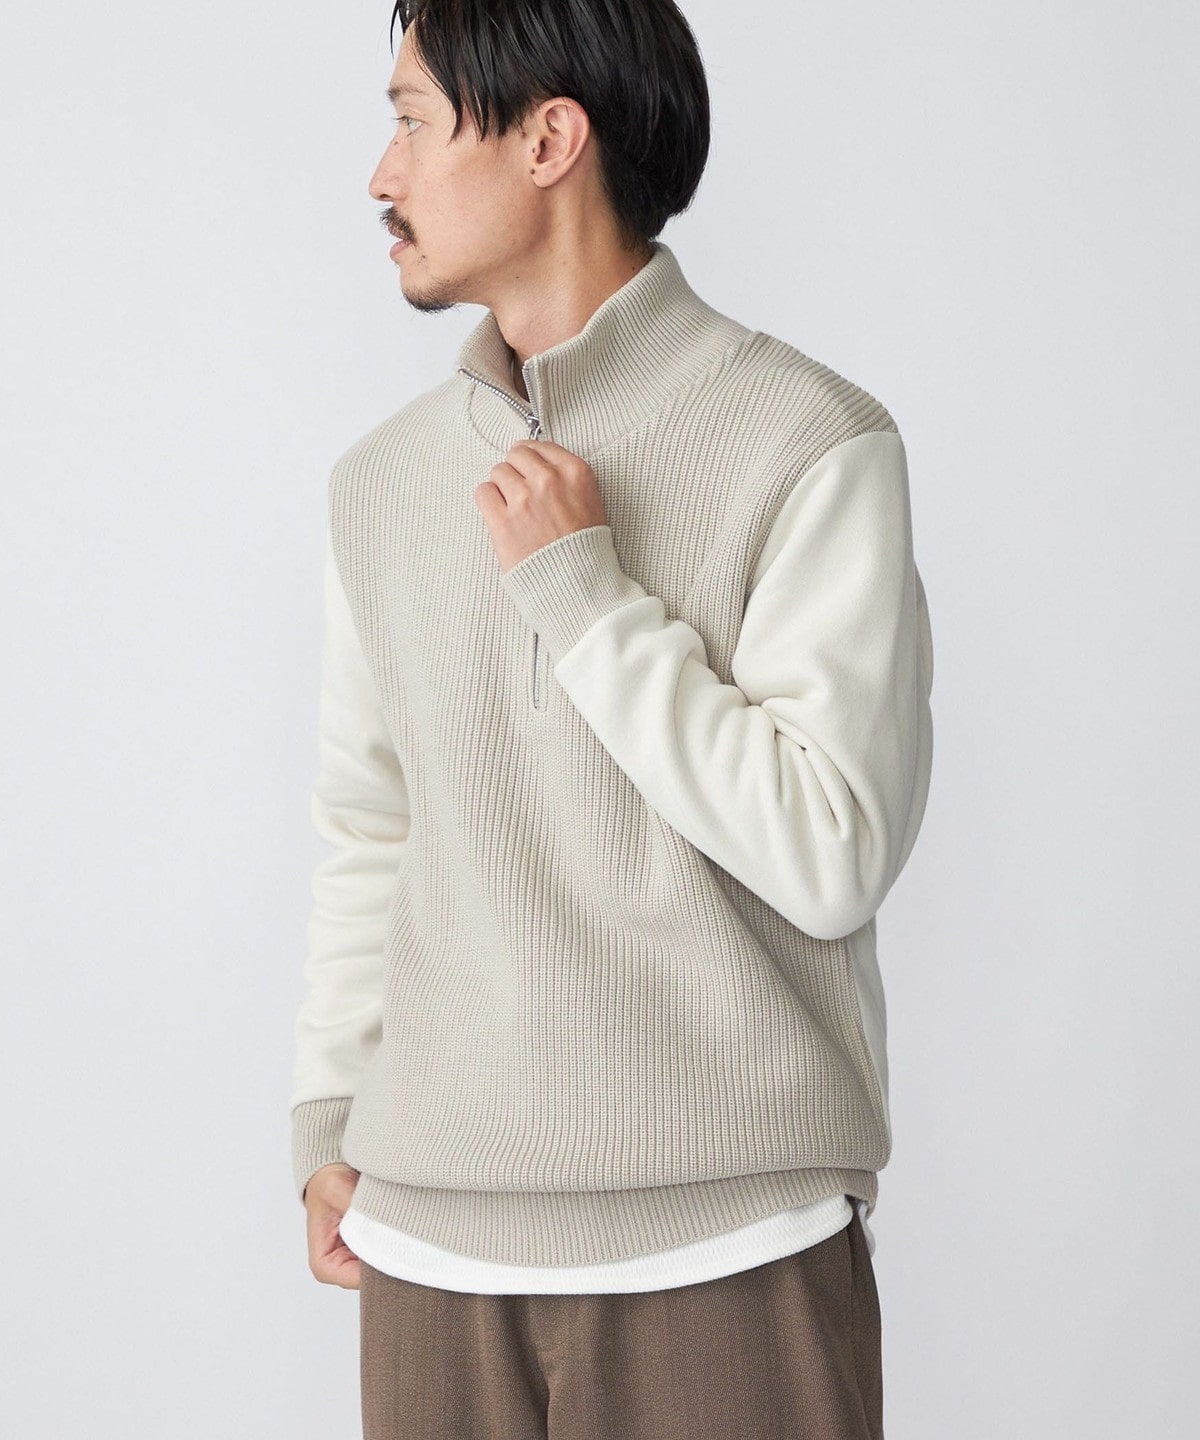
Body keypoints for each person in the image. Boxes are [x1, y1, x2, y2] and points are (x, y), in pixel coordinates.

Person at [288, 1, 934, 1436]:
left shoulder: (809, 441)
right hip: (429, 1246)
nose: (381, 176)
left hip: (730, 1250)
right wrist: (330, 1112)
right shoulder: (382, 482)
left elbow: (832, 849)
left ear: (548, 140)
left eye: (411, 122)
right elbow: (372, 827)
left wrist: (586, 597)